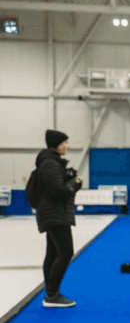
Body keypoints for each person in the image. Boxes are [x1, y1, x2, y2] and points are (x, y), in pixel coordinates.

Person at [35, 130, 82, 308]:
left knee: (53, 253)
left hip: (54, 213)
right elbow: (58, 191)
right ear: (56, 144)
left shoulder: (52, 163)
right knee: (66, 252)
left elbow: (58, 187)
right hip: (54, 214)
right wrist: (74, 183)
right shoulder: (50, 163)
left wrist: (71, 181)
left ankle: (51, 292)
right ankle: (52, 295)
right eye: (65, 142)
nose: (68, 146)